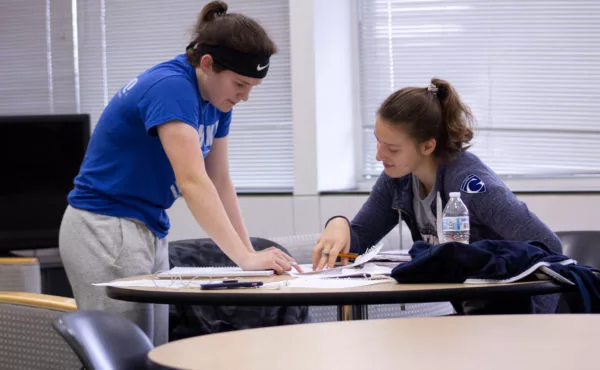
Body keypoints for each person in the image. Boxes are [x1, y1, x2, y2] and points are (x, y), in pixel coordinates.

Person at [59, 1, 298, 345]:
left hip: (148, 224)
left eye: (252, 87)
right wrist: (243, 257)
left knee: (153, 348)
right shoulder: (170, 88)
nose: (245, 96)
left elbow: (219, 181)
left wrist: (250, 256)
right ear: (207, 64)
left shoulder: (217, 100)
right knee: (124, 352)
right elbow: (192, 181)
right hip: (106, 226)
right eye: (240, 84)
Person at [311, 78, 562, 312]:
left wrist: (538, 324)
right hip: (471, 315)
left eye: (392, 148)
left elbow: (549, 247)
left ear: (428, 146)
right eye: (378, 142)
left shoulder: (471, 184)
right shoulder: (396, 181)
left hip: (516, 316)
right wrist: (338, 224)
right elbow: (360, 243)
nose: (379, 156)